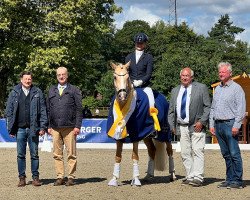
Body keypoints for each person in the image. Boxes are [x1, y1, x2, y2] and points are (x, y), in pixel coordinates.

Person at [168, 67, 211, 187]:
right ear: (180, 76)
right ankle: (190, 175)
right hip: (181, 126)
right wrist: (172, 124)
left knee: (197, 151)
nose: (184, 77)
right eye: (183, 75)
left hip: (196, 125)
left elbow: (208, 106)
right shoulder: (175, 90)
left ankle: (198, 177)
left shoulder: (201, 88)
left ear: (192, 77)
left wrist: (202, 121)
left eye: (187, 75)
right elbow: (171, 110)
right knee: (185, 153)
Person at [5, 71, 47, 187]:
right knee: (20, 155)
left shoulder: (38, 92)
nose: (28, 81)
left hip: (34, 128)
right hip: (19, 129)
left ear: (31, 80)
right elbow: (9, 111)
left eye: (29, 79)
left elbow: (43, 110)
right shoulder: (14, 92)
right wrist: (10, 129)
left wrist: (43, 126)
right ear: (21, 80)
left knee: (34, 154)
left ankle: (35, 178)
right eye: (25, 79)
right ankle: (22, 178)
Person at [209, 62, 245, 189]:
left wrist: (236, 125)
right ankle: (229, 179)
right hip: (218, 125)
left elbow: (241, 109)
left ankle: (237, 180)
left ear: (230, 73)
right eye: (219, 72)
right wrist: (211, 124)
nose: (221, 74)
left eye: (223, 72)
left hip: (230, 124)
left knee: (234, 153)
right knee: (226, 154)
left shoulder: (237, 88)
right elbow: (213, 108)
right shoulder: (217, 89)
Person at [47, 66, 83, 186]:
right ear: (56, 76)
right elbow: (48, 109)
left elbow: (79, 109)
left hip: (70, 127)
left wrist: (77, 126)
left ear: (67, 75)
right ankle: (60, 177)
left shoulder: (74, 90)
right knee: (57, 154)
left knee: (71, 154)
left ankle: (71, 177)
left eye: (63, 74)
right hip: (55, 127)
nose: (61, 77)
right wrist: (48, 126)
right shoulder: (51, 90)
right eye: (59, 75)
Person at [125, 32, 160, 131]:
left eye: (141, 43)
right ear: (135, 43)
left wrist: (140, 81)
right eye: (137, 43)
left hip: (144, 86)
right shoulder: (128, 57)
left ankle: (152, 125)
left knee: (151, 101)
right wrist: (130, 82)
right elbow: (126, 72)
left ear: (145, 44)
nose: (139, 45)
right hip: (130, 85)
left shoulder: (149, 57)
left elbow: (149, 74)